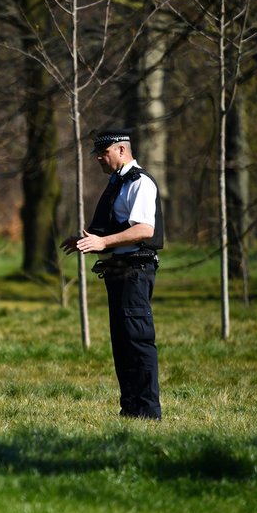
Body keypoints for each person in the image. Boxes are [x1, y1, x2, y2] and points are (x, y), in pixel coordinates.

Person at [61, 129, 163, 420]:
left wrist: (103, 242)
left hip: (136, 270)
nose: (97, 158)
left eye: (102, 153)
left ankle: (147, 412)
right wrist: (87, 238)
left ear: (121, 150)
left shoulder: (140, 182)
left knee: (138, 341)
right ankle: (130, 410)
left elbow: (145, 229)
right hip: (120, 270)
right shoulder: (118, 183)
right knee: (122, 343)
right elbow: (116, 227)